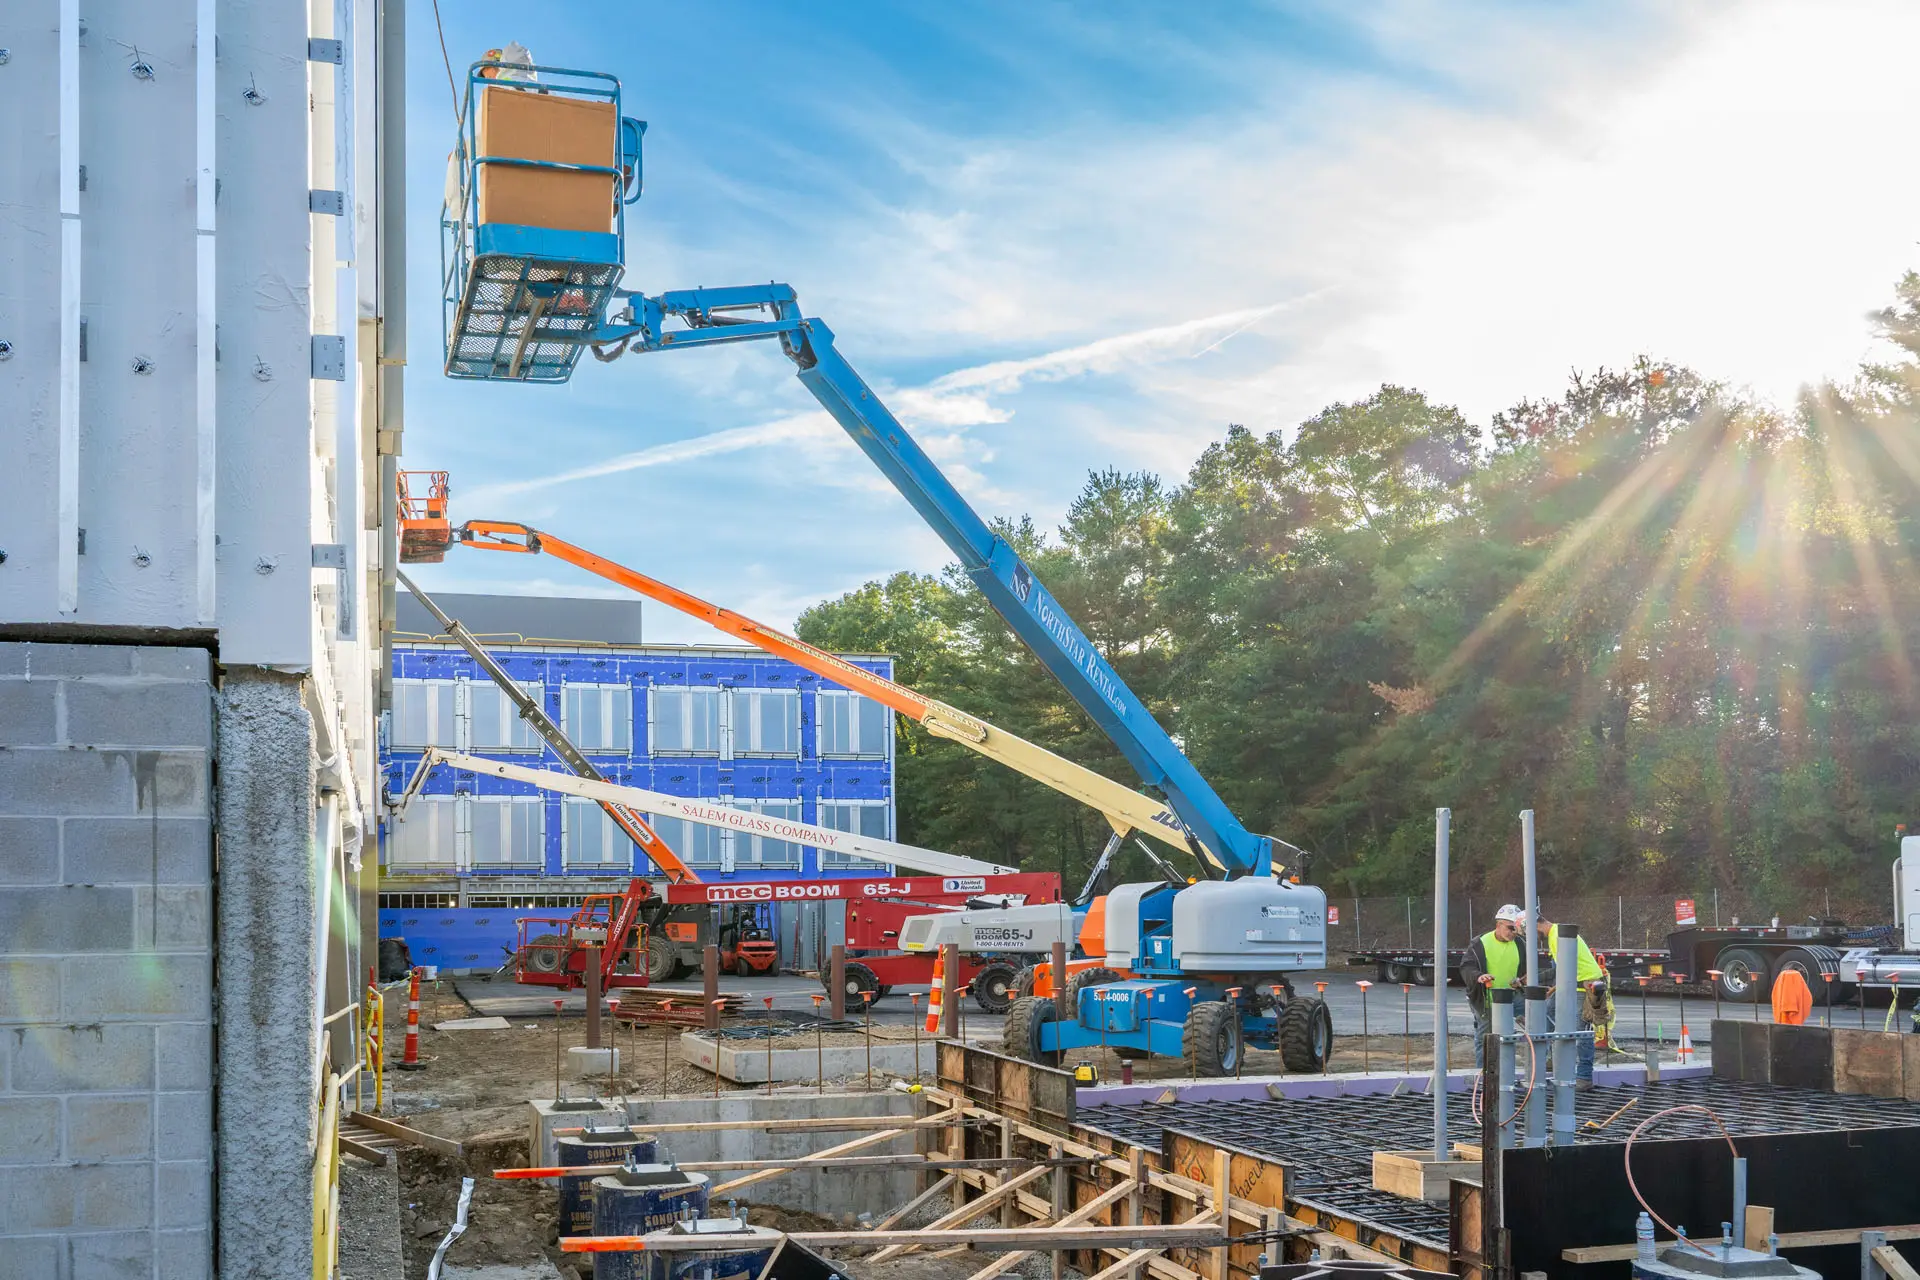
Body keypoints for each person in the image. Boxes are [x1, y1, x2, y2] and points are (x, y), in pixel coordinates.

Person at [1538, 916, 1607, 1089]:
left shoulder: (1558, 935)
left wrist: (1551, 988)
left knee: (1581, 1031)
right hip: (1572, 984)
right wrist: (1552, 990)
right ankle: (1550, 1059)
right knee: (1548, 1013)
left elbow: (1565, 969)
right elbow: (1563, 969)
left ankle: (1584, 1076)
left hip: (1585, 986)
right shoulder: (1555, 934)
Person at [1461, 904, 1527, 1068]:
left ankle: (1508, 1074)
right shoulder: (1480, 943)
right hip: (1486, 999)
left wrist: (1521, 980)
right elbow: (1466, 966)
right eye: (1511, 928)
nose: (1514, 932)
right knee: (1485, 1038)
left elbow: (1526, 970)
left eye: (1517, 929)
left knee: (1538, 1019)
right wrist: (1479, 977)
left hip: (1512, 997)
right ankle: (1483, 1077)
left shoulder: (1520, 944)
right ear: (1498, 925)